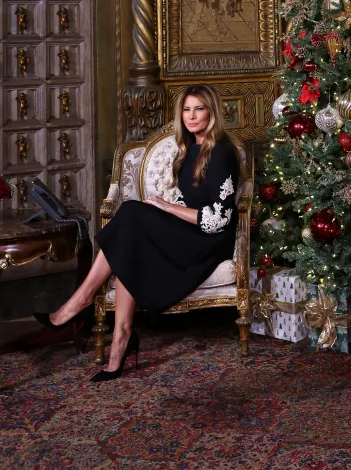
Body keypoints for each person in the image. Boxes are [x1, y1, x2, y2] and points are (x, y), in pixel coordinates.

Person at [34, 85, 239, 382]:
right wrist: (166, 210)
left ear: (212, 112)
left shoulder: (222, 152)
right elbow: (191, 199)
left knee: (131, 214)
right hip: (190, 230)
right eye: (186, 109)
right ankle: (121, 336)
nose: (191, 116)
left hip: (208, 240)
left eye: (199, 109)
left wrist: (166, 209)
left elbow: (219, 218)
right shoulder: (189, 149)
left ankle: (81, 303)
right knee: (131, 233)